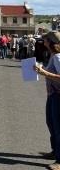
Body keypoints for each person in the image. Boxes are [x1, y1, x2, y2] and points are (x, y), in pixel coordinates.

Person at [34, 31, 60, 170]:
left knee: (58, 127)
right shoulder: (52, 56)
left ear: (51, 43)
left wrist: (44, 73)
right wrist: (41, 69)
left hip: (58, 96)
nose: (43, 42)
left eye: (45, 40)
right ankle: (55, 151)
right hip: (53, 95)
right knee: (51, 123)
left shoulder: (58, 57)